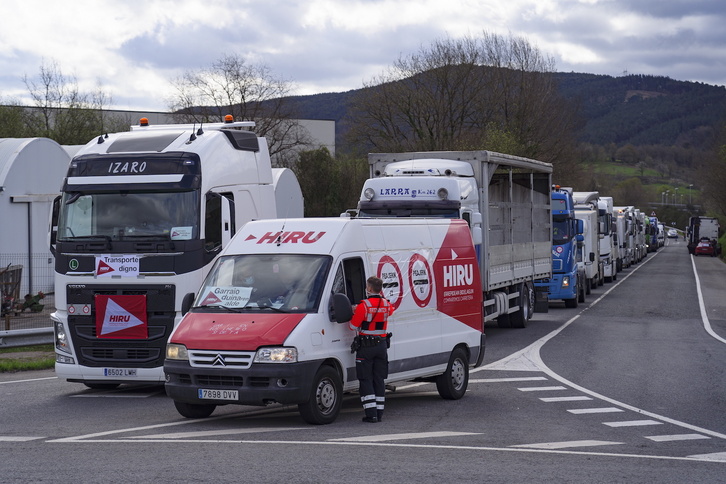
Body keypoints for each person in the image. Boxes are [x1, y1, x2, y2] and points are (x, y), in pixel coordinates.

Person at [349, 276, 394, 423]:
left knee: (365, 379)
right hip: (382, 346)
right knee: (379, 379)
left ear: (369, 289)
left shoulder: (364, 306)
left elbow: (353, 326)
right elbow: (390, 311)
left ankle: (371, 414)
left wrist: (354, 311)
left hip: (366, 348)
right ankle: (380, 413)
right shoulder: (387, 304)